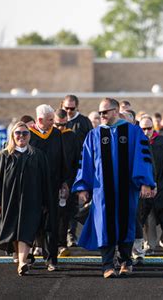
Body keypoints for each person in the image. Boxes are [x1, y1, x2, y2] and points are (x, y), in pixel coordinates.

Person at [73, 98, 155, 278]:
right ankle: (107, 265)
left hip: (127, 189)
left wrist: (145, 182)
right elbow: (85, 162)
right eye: (100, 113)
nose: (101, 116)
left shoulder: (133, 132)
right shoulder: (94, 135)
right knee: (105, 226)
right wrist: (82, 186)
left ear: (116, 111)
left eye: (105, 112)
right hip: (102, 190)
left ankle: (126, 261)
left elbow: (143, 159)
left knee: (126, 225)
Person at [0, 121, 51, 276]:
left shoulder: (37, 155)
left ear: (29, 136)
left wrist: (46, 201)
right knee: (12, 231)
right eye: (18, 133)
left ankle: (23, 262)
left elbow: (45, 180)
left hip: (32, 200)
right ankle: (20, 258)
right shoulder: (5, 156)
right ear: (12, 135)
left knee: (27, 230)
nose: (21, 136)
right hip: (9, 200)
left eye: (25, 133)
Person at [29, 104, 68, 271]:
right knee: (31, 223)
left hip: (52, 187)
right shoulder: (28, 135)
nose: (54, 122)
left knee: (52, 224)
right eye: (50, 120)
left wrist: (65, 182)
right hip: (32, 188)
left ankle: (51, 259)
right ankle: (28, 256)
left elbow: (62, 160)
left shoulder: (57, 134)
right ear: (39, 120)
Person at [139, 115, 163, 254]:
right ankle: (150, 244)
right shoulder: (138, 142)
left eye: (149, 128)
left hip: (162, 183)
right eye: (143, 128)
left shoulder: (161, 140)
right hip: (146, 184)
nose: (146, 132)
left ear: (153, 128)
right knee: (149, 214)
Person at [61, 95, 93, 247]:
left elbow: (92, 143)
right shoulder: (58, 121)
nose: (68, 111)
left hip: (78, 167)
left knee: (73, 203)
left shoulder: (84, 122)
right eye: (66, 108)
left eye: (72, 108)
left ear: (77, 107)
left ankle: (71, 234)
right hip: (60, 168)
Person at [54, 109, 82, 257]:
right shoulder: (49, 136)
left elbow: (78, 159)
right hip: (51, 182)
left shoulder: (72, 136)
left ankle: (62, 244)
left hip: (68, 181)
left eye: (63, 125)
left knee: (65, 214)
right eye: (57, 124)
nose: (60, 128)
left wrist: (74, 182)